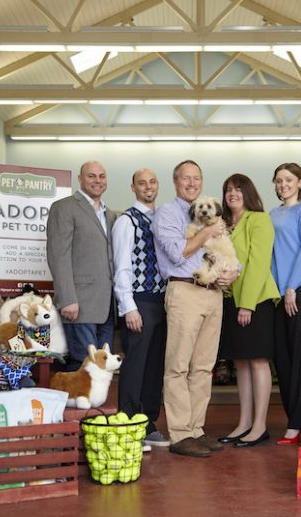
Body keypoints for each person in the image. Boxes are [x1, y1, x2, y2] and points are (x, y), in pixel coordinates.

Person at [153, 160, 239, 458]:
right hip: (185, 291)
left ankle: (196, 429)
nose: (192, 183)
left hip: (213, 292)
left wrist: (232, 274)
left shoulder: (211, 216)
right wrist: (207, 232)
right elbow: (178, 252)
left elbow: (227, 253)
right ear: (176, 182)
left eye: (197, 178)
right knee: (178, 365)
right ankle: (180, 434)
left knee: (203, 367)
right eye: (186, 178)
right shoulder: (167, 213)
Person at [218, 174, 280, 448]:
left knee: (257, 361)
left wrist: (247, 304)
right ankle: (244, 423)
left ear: (248, 192)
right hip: (231, 300)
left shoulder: (259, 219)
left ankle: (260, 425)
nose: (233, 193)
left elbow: (258, 263)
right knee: (240, 363)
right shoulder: (223, 225)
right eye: (228, 189)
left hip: (255, 301)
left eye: (238, 189)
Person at [112, 168, 169, 448]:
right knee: (136, 365)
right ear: (133, 187)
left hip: (163, 301)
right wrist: (128, 307)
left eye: (152, 182)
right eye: (142, 183)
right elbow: (121, 266)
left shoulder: (162, 219)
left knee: (155, 366)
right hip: (139, 301)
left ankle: (148, 422)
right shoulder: (127, 221)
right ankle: (129, 423)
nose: (148, 187)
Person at [46, 161, 116, 371]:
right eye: (91, 176)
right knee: (83, 365)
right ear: (80, 179)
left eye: (102, 176)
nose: (98, 181)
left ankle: (92, 405)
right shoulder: (64, 207)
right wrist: (67, 299)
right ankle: (74, 405)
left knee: (101, 368)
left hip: (107, 305)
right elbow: (58, 255)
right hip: (79, 304)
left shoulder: (110, 214)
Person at [270, 163, 301, 445]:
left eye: (288, 180)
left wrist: (292, 287)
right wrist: (278, 290)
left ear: (300, 182)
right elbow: (272, 255)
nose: (283, 185)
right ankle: (294, 415)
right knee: (283, 355)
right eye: (278, 180)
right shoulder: (273, 213)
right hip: (280, 291)